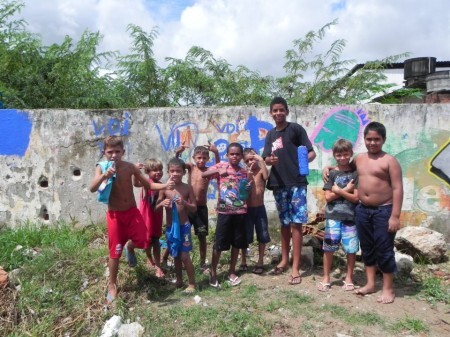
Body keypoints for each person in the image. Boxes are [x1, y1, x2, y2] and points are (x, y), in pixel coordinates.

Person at [89, 136, 173, 304]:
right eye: (110, 152)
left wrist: (165, 185)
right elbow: (92, 188)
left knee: (144, 241)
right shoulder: (102, 166)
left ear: (123, 152)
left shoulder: (129, 167)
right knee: (115, 253)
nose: (114, 155)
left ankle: (131, 247)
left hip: (133, 213)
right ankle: (112, 285)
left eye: (117, 152)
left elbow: (147, 185)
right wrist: (104, 175)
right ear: (104, 153)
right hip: (115, 216)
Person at [262, 96, 316, 285]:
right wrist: (270, 161)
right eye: (275, 110)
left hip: (297, 182)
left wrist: (304, 161)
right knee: (284, 224)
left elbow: (311, 151)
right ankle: (284, 260)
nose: (278, 113)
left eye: (281, 110)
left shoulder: (296, 130)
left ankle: (295, 266)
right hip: (278, 183)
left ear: (287, 111)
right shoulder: (270, 135)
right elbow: (265, 158)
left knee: (296, 224)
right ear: (271, 113)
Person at [353, 122, 403, 304]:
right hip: (362, 210)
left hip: (384, 210)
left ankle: (388, 289)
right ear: (364, 139)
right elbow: (344, 167)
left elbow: (398, 188)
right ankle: (370, 283)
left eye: (376, 139)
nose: (372, 142)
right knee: (367, 248)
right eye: (369, 139)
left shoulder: (389, 161)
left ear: (383, 140)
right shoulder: (359, 158)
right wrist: (329, 168)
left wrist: (395, 215)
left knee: (384, 249)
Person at [202, 142, 250, 288]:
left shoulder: (244, 172)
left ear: (242, 156)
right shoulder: (221, 166)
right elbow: (204, 174)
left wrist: (247, 188)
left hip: (240, 211)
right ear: (227, 155)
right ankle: (213, 272)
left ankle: (231, 271)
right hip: (224, 211)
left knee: (237, 243)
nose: (234, 156)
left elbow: (244, 192)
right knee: (219, 243)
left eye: (237, 154)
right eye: (232, 154)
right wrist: (219, 171)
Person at [318, 139, 359, 292]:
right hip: (333, 216)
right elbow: (328, 197)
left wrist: (340, 190)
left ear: (350, 154)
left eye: (345, 154)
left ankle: (349, 277)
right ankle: (326, 277)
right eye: (339, 155)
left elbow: (356, 198)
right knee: (329, 248)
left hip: (350, 218)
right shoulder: (332, 173)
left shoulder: (355, 173)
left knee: (351, 249)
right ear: (334, 155)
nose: (342, 157)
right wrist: (346, 190)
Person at [155, 157, 197, 293]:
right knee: (176, 255)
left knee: (185, 256)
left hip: (183, 227)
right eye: (172, 171)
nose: (175, 174)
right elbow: (155, 207)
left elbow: (194, 208)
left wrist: (184, 203)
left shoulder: (187, 188)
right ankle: (179, 281)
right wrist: (162, 204)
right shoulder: (164, 188)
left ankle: (192, 284)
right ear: (168, 172)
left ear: (184, 172)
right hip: (170, 228)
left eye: (178, 171)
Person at [175, 144, 220, 271]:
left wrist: (216, 152)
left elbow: (219, 167)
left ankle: (202, 262)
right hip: (188, 207)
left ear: (208, 159)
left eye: (204, 158)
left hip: (201, 209)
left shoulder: (208, 171)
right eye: (199, 157)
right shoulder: (191, 168)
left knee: (202, 236)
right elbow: (177, 165)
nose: (201, 160)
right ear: (194, 158)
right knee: (184, 233)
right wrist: (178, 153)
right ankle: (184, 259)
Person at [239, 148, 271, 274]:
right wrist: (247, 174)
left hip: (260, 208)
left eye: (252, 158)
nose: (250, 162)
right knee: (244, 236)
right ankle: (243, 260)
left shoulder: (260, 171)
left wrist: (261, 160)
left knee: (262, 235)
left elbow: (266, 176)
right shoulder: (243, 172)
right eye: (247, 160)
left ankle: (260, 261)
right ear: (244, 161)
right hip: (247, 209)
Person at [134, 158, 165, 279]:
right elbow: (135, 183)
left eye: (160, 169)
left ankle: (158, 266)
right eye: (154, 170)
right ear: (147, 172)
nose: (158, 172)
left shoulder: (162, 185)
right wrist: (135, 171)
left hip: (156, 217)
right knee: (147, 241)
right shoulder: (146, 182)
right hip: (146, 217)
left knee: (156, 241)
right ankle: (149, 259)